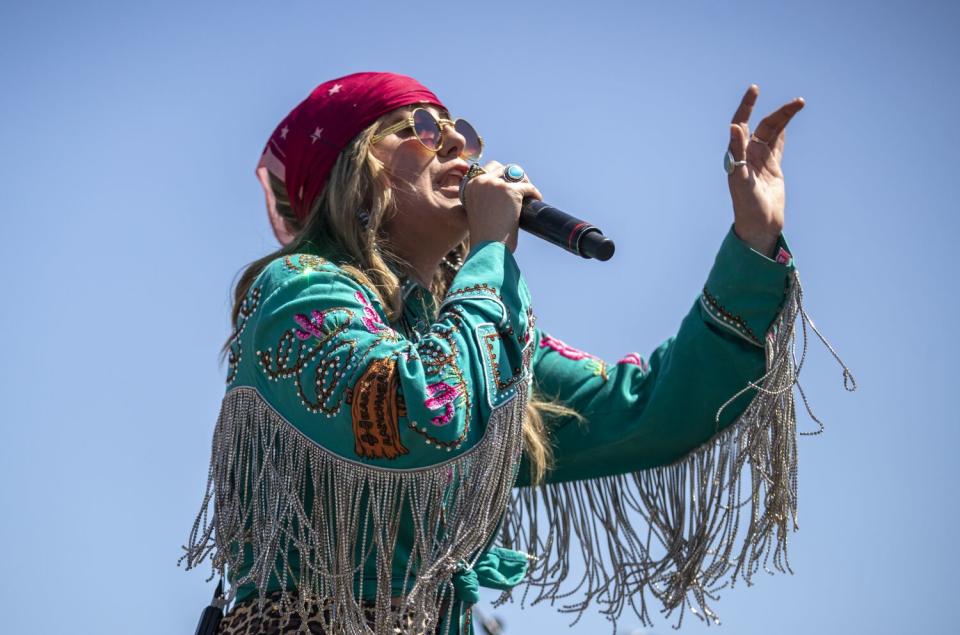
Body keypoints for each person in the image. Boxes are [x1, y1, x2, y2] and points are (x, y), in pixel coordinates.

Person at [181, 72, 852, 634]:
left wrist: (754, 242)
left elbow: (657, 408)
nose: (456, 142)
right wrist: (491, 255)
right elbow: (426, 411)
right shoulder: (298, 290)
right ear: (352, 171)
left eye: (462, 131)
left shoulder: (470, 327)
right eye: (417, 123)